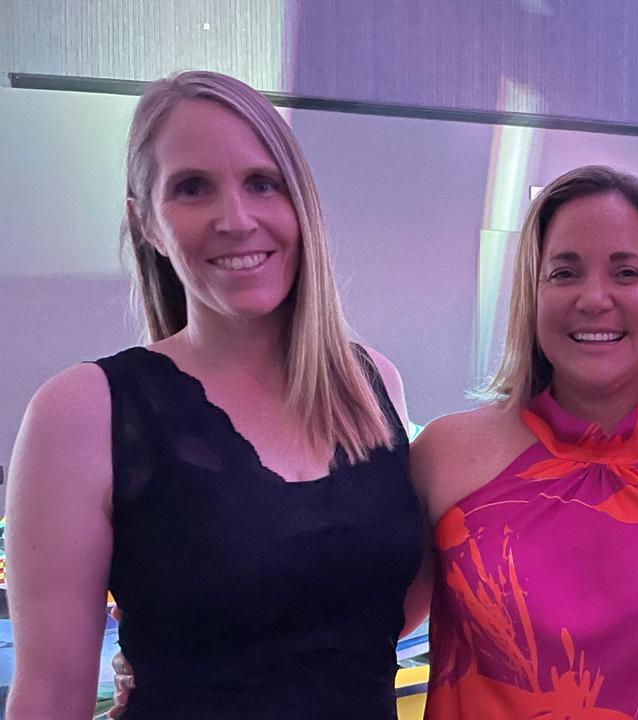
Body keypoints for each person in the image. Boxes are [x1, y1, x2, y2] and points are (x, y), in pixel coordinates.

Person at [5, 71, 430, 719]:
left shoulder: (374, 386)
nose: (236, 219)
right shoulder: (84, 413)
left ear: (301, 204)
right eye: (192, 188)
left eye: (262, 183)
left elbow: (365, 618)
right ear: (145, 222)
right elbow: (51, 695)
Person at [410, 165, 638, 718]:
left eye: (627, 272)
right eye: (564, 273)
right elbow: (354, 631)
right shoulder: (445, 458)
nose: (594, 298)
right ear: (532, 296)